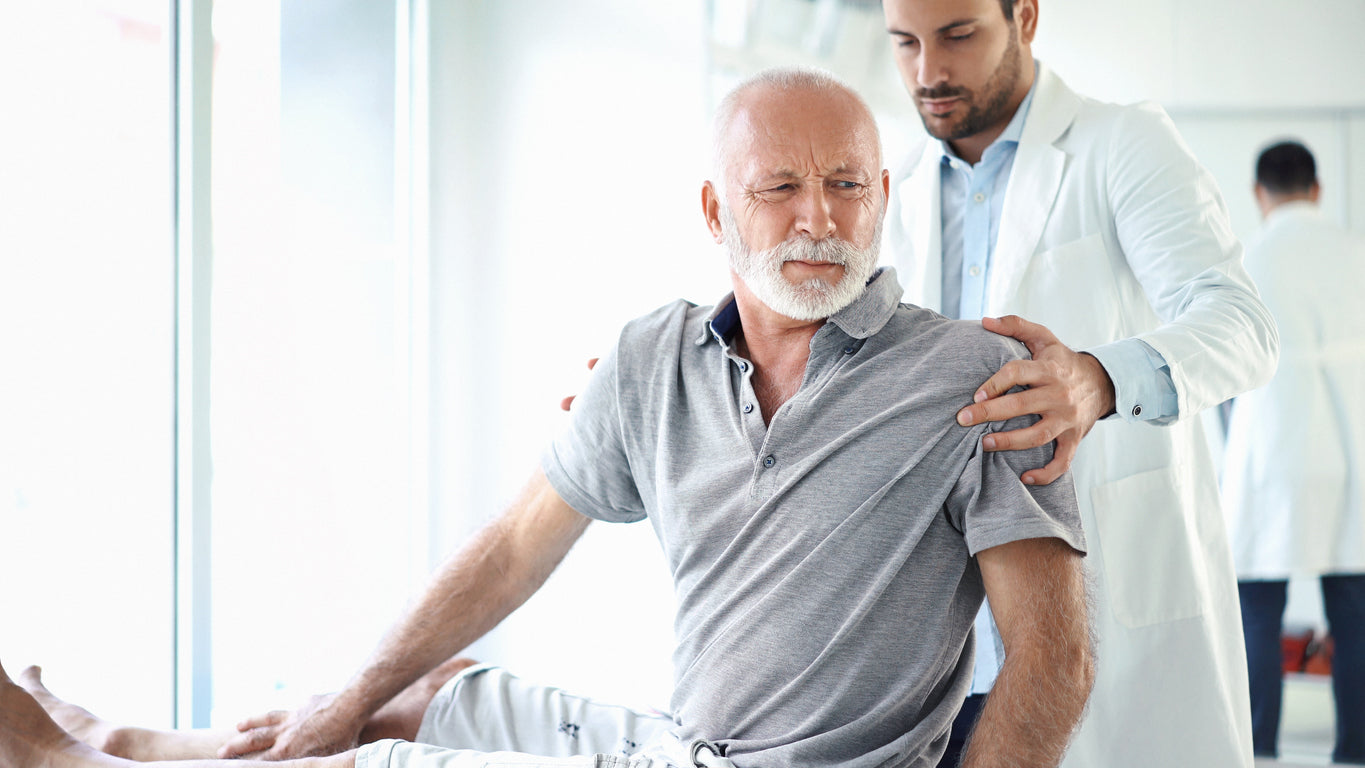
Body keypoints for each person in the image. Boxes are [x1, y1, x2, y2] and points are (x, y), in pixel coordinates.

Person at [3, 68, 1094, 768]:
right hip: (681, 751)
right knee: (412, 697)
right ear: (716, 210)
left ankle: (72, 765)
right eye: (781, 188)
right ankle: (126, 737)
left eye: (849, 184)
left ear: (883, 199)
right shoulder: (648, 357)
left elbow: (1052, 662)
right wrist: (349, 695)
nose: (821, 219)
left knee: (376, 760)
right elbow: (516, 548)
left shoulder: (985, 375)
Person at [878, 1, 1279, 766]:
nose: (927, 72)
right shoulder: (893, 184)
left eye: (957, 36)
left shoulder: (1120, 143)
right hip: (948, 636)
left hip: (1108, 600)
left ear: (1023, 17)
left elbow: (1240, 326)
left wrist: (1097, 379)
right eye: (904, 43)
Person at [1222, 139, 1365, 764]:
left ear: (1260, 194)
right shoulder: (1354, 251)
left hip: (1271, 449)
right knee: (1355, 605)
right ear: (1318, 189)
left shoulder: (1245, 260)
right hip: (1352, 450)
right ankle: (1356, 747)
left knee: (1257, 602)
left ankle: (1258, 747)